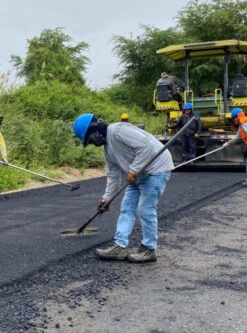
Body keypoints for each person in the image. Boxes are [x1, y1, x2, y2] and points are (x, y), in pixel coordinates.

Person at [72, 113, 173, 264]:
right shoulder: (108, 151)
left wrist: (133, 170)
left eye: (90, 139)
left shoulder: (117, 130)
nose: (92, 143)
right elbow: (113, 177)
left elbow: (145, 147)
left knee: (145, 209)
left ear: (94, 131)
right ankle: (119, 247)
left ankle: (148, 249)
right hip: (139, 174)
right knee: (127, 208)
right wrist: (106, 199)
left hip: (156, 169)